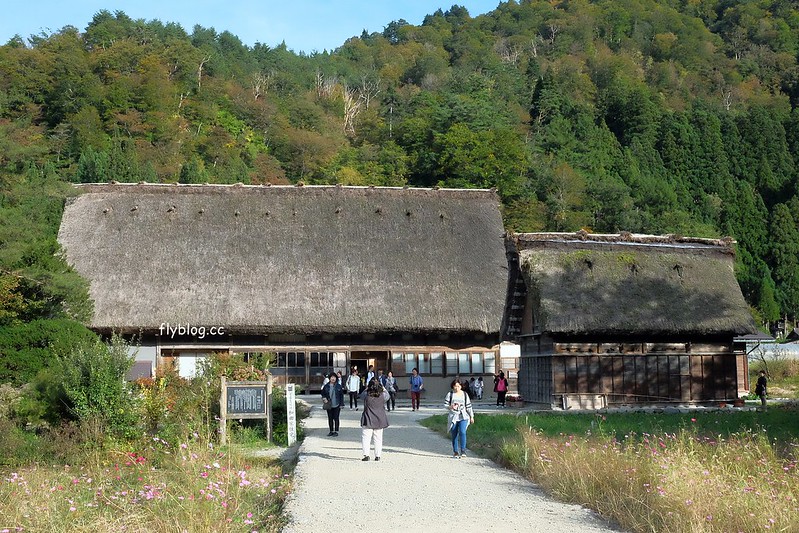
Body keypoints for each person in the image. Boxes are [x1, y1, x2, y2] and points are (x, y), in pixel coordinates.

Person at [359, 378, 390, 461]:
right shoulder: (383, 395)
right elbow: (388, 396)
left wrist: (366, 388)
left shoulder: (366, 395)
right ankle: (378, 455)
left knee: (366, 437)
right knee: (378, 438)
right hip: (379, 419)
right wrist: (383, 388)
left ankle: (366, 455)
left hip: (368, 418)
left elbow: (361, 396)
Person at [445, 379, 474, 458]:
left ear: (461, 386)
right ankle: (455, 451)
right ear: (453, 386)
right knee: (454, 434)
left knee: (462, 432)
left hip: (463, 416)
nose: (457, 388)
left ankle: (463, 451)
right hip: (453, 417)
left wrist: (471, 416)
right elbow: (445, 404)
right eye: (455, 386)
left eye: (458, 386)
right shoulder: (450, 394)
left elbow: (468, 406)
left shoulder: (464, 394)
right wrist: (450, 407)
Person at [321, 372, 344, 437]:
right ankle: (331, 430)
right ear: (329, 378)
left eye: (334, 377)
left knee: (336, 418)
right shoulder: (326, 386)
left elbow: (341, 396)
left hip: (337, 404)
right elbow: (323, 393)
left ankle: (336, 431)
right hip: (329, 404)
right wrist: (324, 398)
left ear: (336, 378)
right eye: (332, 377)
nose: (333, 379)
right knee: (330, 418)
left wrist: (342, 404)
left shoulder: (338, 386)